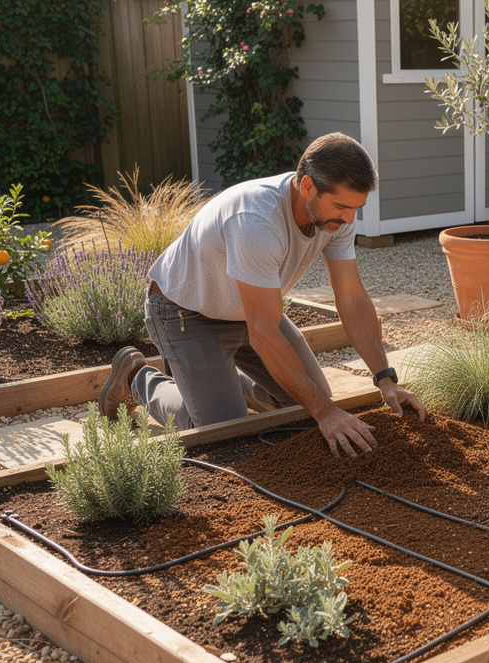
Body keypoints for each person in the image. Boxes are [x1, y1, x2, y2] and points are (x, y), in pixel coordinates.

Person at [97, 132, 426, 457]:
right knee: (222, 434)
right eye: (342, 206)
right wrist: (326, 414)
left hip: (249, 309)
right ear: (308, 186)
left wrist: (386, 378)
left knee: (305, 402)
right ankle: (137, 377)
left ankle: (212, 381)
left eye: (357, 207)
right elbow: (264, 332)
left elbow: (352, 299)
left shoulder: (336, 217)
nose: (350, 219)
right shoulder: (256, 221)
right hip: (186, 312)